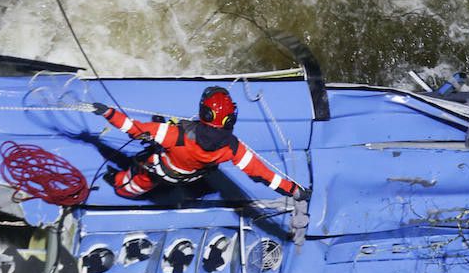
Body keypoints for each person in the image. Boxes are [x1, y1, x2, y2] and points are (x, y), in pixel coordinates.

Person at [88, 86, 310, 201]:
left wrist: (108, 113)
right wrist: (295, 191)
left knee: (134, 183)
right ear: (230, 120)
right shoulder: (233, 148)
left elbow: (133, 129)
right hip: (189, 174)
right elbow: (265, 175)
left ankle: (118, 185)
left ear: (204, 112)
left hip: (160, 169)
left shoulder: (175, 135)